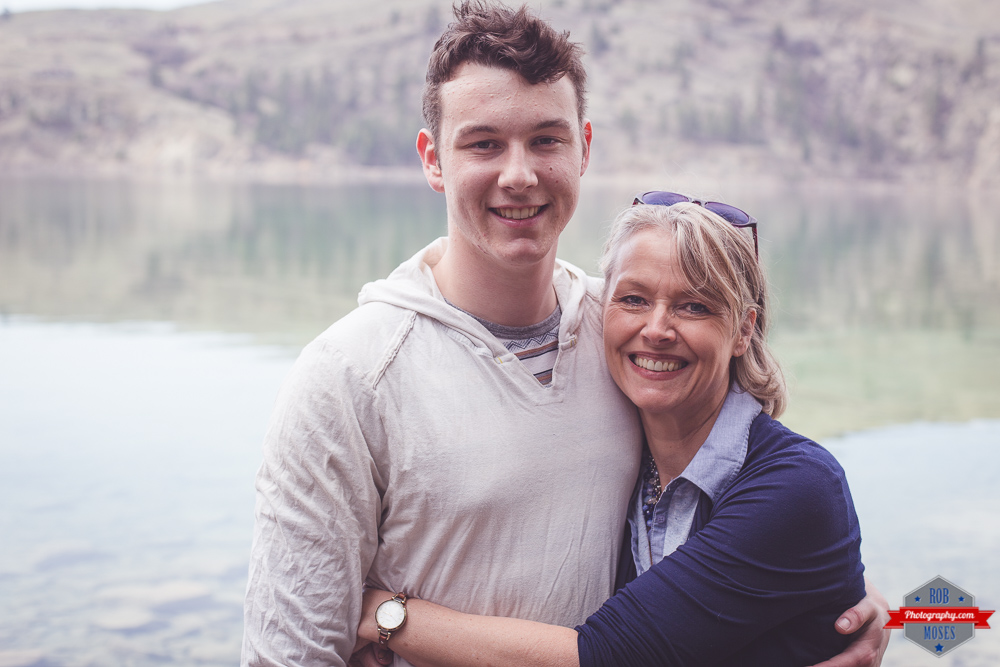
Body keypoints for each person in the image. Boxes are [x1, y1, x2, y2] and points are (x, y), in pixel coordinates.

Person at [241, 3, 889, 666]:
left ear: (583, 149)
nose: (519, 174)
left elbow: (763, 487)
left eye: (545, 140)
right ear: (433, 159)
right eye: (484, 142)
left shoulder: (614, 334)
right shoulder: (351, 376)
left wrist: (861, 598)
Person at [356, 201, 867, 666]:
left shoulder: (799, 487)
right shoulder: (618, 455)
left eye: (694, 306)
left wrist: (383, 614)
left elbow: (607, 657)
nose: (658, 329)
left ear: (743, 330)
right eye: (634, 299)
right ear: (603, 311)